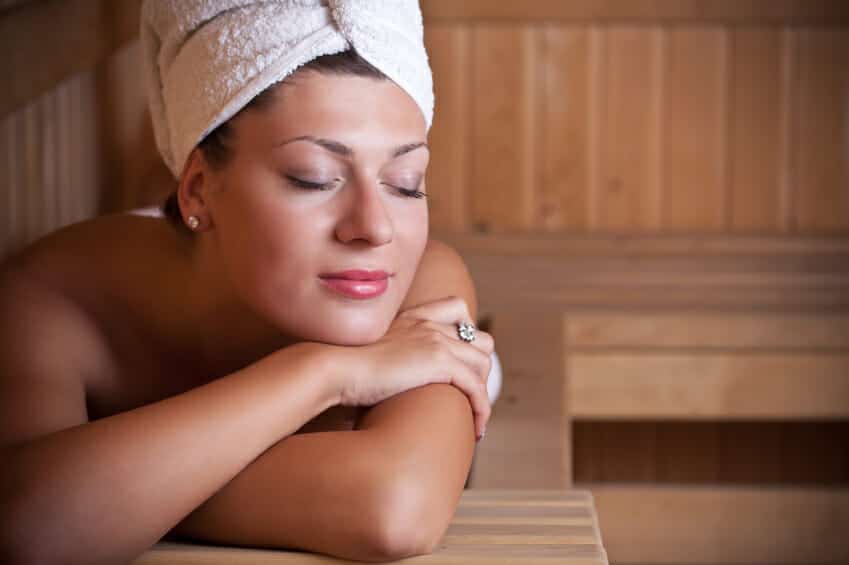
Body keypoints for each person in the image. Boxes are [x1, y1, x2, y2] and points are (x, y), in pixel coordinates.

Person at [0, 1, 494, 563]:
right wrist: (329, 373)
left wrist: (115, 490)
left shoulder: (427, 284)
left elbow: (394, 510)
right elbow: (21, 527)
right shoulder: (56, 298)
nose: (374, 228)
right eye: (315, 179)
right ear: (197, 191)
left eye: (405, 183)